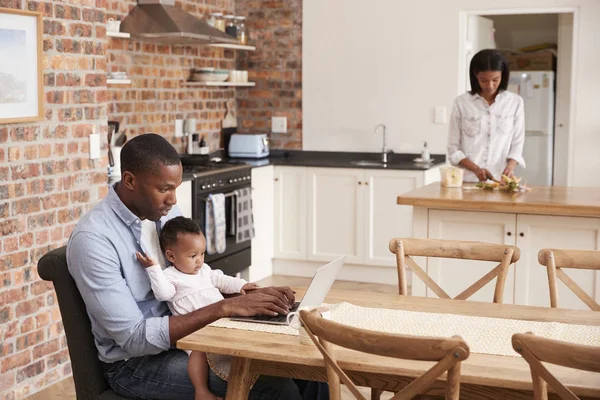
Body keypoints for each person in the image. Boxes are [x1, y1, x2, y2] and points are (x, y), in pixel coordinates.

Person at [67, 133, 329, 400]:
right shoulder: (94, 240)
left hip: (194, 342)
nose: (172, 199)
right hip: (136, 364)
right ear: (130, 180)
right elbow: (133, 338)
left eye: (176, 188)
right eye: (164, 189)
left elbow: (195, 280)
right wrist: (224, 307)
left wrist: (249, 295)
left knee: (307, 367)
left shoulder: (164, 213)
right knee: (274, 386)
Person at [136, 216, 259, 400]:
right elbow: (162, 293)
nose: (199, 260)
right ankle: (201, 390)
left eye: (202, 253)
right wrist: (153, 269)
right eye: (193, 256)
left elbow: (221, 279)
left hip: (221, 323)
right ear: (171, 256)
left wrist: (241, 285)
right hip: (197, 332)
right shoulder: (170, 276)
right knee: (198, 352)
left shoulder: (204, 271)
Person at [447, 49, 526, 182]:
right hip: (468, 182)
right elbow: (453, 149)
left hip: (501, 182)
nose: (490, 86)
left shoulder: (515, 102)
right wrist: (476, 169)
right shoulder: (461, 103)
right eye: (484, 80)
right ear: (475, 75)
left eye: (495, 80)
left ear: (503, 76)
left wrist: (510, 168)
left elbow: (517, 144)